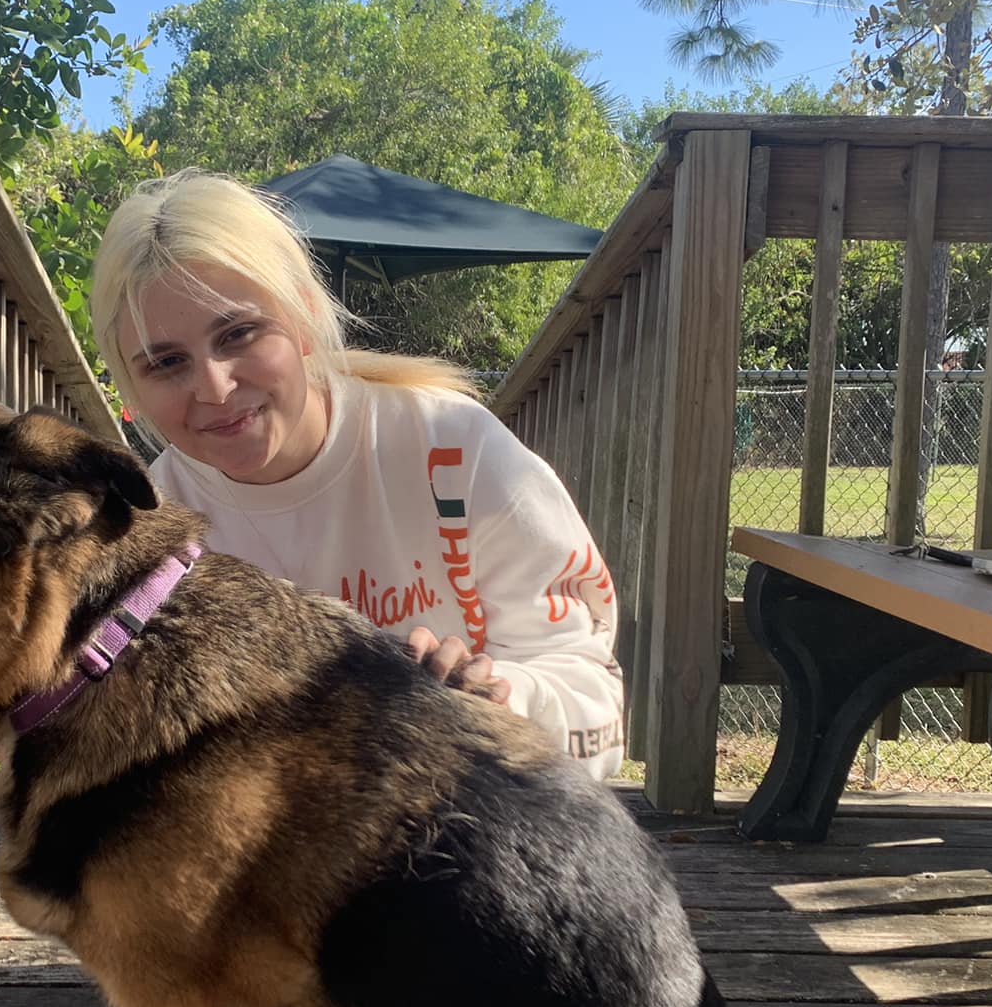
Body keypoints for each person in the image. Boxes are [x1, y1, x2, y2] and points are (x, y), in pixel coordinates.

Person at [89, 169, 625, 779]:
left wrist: (498, 699)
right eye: (166, 362)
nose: (215, 388)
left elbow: (597, 716)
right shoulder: (155, 526)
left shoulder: (452, 448)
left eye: (239, 333)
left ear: (304, 313)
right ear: (132, 385)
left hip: (481, 821)